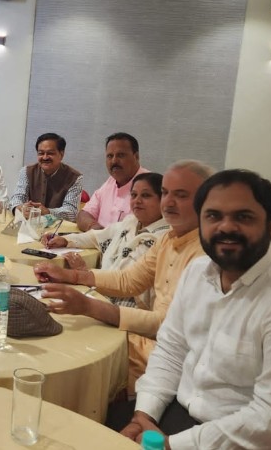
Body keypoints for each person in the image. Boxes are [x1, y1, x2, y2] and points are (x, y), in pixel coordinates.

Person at [119, 169, 271, 448]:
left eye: (243, 217)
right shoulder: (197, 272)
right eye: (213, 216)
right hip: (179, 415)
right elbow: (172, 349)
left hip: (249, 440)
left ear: (270, 225)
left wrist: (172, 445)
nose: (226, 227)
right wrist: (143, 415)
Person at [35, 160, 213, 393]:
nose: (169, 202)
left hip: (169, 359)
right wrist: (70, 275)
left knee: (70, 352)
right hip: (148, 337)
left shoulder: (204, 256)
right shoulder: (169, 239)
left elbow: (166, 325)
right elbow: (128, 280)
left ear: (207, 201)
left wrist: (89, 306)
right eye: (166, 193)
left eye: (181, 195)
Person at [42, 173, 169, 308]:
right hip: (102, 291)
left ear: (163, 200)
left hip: (131, 305)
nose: (137, 201)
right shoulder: (131, 222)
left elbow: (126, 282)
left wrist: (84, 273)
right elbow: (97, 236)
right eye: (133, 195)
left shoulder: (164, 238)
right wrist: (65, 240)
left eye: (146, 195)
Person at [77, 132, 148, 231]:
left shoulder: (151, 186)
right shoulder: (110, 182)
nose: (114, 161)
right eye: (110, 156)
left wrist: (104, 236)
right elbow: (84, 214)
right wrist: (94, 228)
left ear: (136, 156)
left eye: (121, 155)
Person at [9, 133, 83, 221]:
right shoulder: (26, 171)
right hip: (30, 225)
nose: (45, 157)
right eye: (41, 153)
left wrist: (48, 212)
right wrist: (20, 208)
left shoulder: (74, 177)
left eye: (50, 153)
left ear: (61, 154)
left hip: (59, 227)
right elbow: (17, 198)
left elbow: (72, 212)